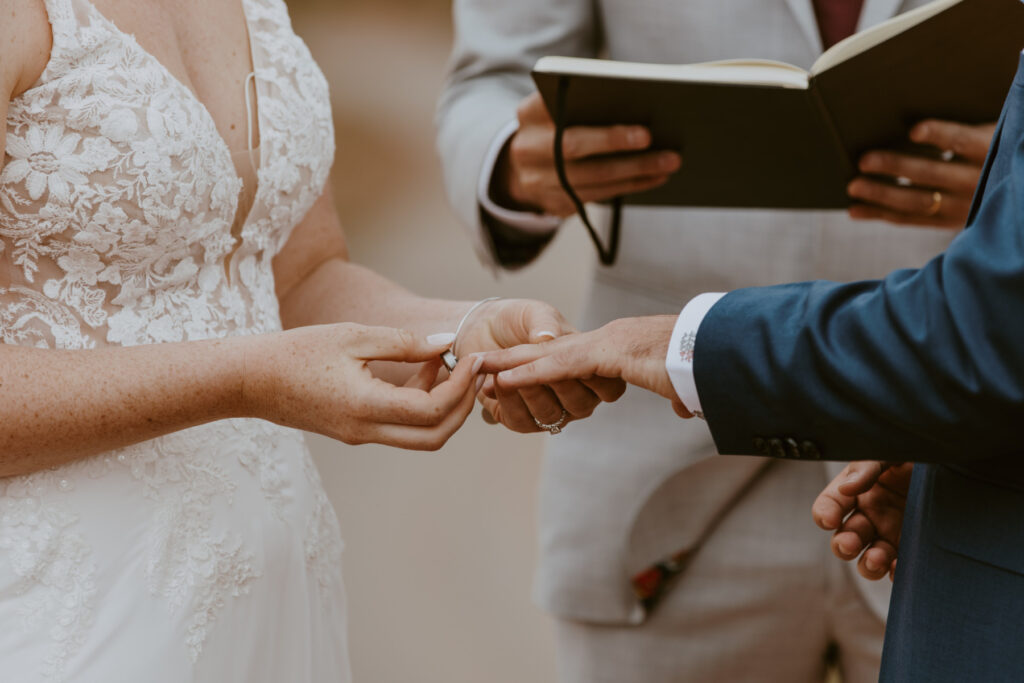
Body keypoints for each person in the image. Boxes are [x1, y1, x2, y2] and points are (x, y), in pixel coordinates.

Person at [0, 1, 624, 680]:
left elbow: (299, 275)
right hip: (74, 603)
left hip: (274, 600)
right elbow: (260, 357)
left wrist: (466, 329)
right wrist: (249, 377)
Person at [436, 1, 992, 680]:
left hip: (962, 471)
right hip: (660, 480)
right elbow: (486, 86)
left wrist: (1015, 177)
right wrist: (513, 166)